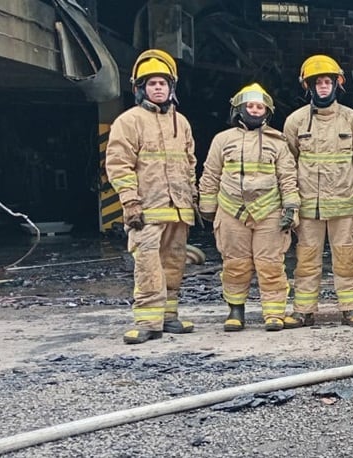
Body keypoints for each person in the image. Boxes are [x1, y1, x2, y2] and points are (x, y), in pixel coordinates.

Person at [106, 49, 197, 344]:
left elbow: (190, 162)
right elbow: (119, 164)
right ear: (140, 88)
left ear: (171, 87)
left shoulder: (181, 122)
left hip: (178, 210)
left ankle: (168, 316)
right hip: (146, 210)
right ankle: (147, 321)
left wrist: (193, 197)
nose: (158, 88)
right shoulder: (129, 121)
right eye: (151, 83)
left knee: (174, 263)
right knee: (147, 265)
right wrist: (130, 201)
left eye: (162, 83)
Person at [198, 83, 299, 332]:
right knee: (235, 263)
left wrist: (291, 208)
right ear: (239, 109)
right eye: (250, 106)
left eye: (259, 107)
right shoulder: (222, 140)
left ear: (267, 112)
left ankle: (274, 313)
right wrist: (207, 207)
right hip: (231, 210)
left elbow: (288, 177)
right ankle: (235, 311)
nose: (255, 110)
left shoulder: (278, 142)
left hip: (269, 211)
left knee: (271, 264)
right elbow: (210, 174)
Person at [282, 55, 353, 328]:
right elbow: (288, 161)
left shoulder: (352, 120)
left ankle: (350, 308)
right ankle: (303, 310)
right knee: (306, 259)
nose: (322, 87)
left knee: (346, 259)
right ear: (308, 86)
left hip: (344, 205)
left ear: (336, 84)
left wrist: (344, 183)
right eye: (317, 82)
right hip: (309, 205)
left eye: (327, 82)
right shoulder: (295, 121)